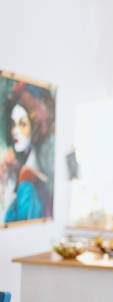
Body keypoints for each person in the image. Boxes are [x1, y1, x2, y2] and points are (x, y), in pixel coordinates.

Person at [2, 82, 54, 223]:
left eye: (22, 124)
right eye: (13, 124)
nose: (15, 131)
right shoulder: (16, 165)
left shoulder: (40, 160)